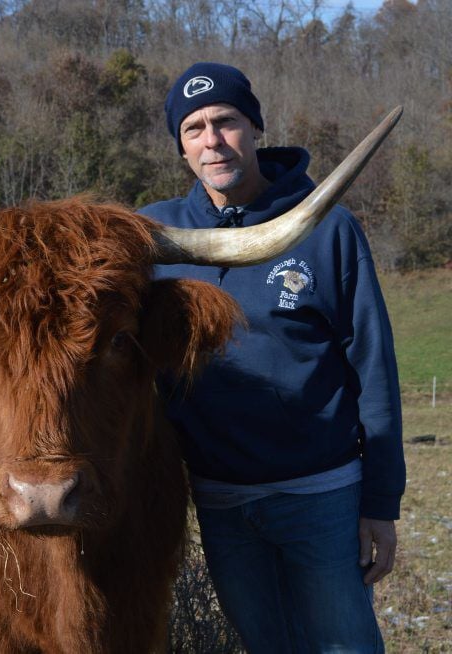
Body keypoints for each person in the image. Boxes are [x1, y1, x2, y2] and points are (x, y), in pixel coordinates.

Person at [139, 62, 405, 653]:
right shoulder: (152, 235)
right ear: (181, 148)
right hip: (220, 500)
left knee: (344, 646)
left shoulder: (328, 229)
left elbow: (374, 370)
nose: (212, 141)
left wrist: (380, 505)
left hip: (322, 494)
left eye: (226, 122)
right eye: (194, 129)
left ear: (255, 127)